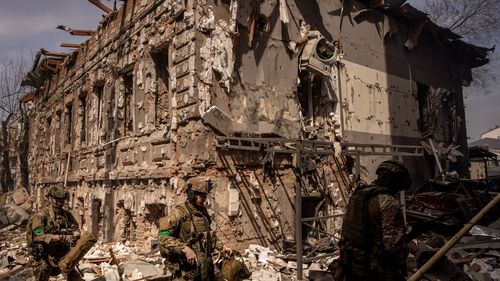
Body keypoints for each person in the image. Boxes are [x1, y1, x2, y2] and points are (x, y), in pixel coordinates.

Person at [337, 160, 411, 281]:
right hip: (372, 270)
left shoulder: (359, 194)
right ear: (393, 181)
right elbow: (393, 247)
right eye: (399, 186)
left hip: (350, 264)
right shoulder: (388, 202)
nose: (397, 191)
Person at [159, 176, 229, 281]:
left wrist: (222, 247)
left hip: (204, 263)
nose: (204, 199)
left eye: (205, 196)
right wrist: (185, 249)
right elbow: (162, 237)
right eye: (201, 196)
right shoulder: (179, 213)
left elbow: (207, 236)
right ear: (191, 194)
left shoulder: (202, 212)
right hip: (187, 268)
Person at [27, 186, 97, 281]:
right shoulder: (40, 216)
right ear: (51, 199)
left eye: (62, 200)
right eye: (58, 200)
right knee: (43, 274)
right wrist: (62, 237)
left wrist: (75, 235)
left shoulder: (67, 215)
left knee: (75, 277)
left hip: (62, 254)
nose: (61, 203)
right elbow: (39, 236)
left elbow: (75, 228)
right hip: (44, 256)